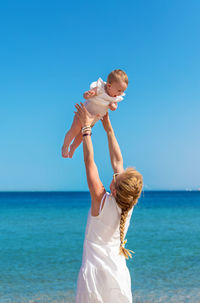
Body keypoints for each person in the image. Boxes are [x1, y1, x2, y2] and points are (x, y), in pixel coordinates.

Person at [74, 102, 143, 303]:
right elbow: (117, 161)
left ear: (114, 189)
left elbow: (89, 162)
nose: (114, 175)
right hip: (117, 273)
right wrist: (108, 127)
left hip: (94, 278)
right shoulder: (127, 205)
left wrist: (87, 128)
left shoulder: (100, 198)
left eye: (116, 178)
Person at [62, 69, 128, 158]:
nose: (120, 93)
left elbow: (114, 107)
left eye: (123, 91)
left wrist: (113, 106)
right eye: (119, 90)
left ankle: (73, 147)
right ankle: (65, 146)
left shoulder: (115, 97)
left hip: (93, 119)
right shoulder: (100, 89)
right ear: (109, 86)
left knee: (82, 136)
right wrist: (88, 94)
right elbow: (86, 95)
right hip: (83, 113)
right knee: (74, 130)